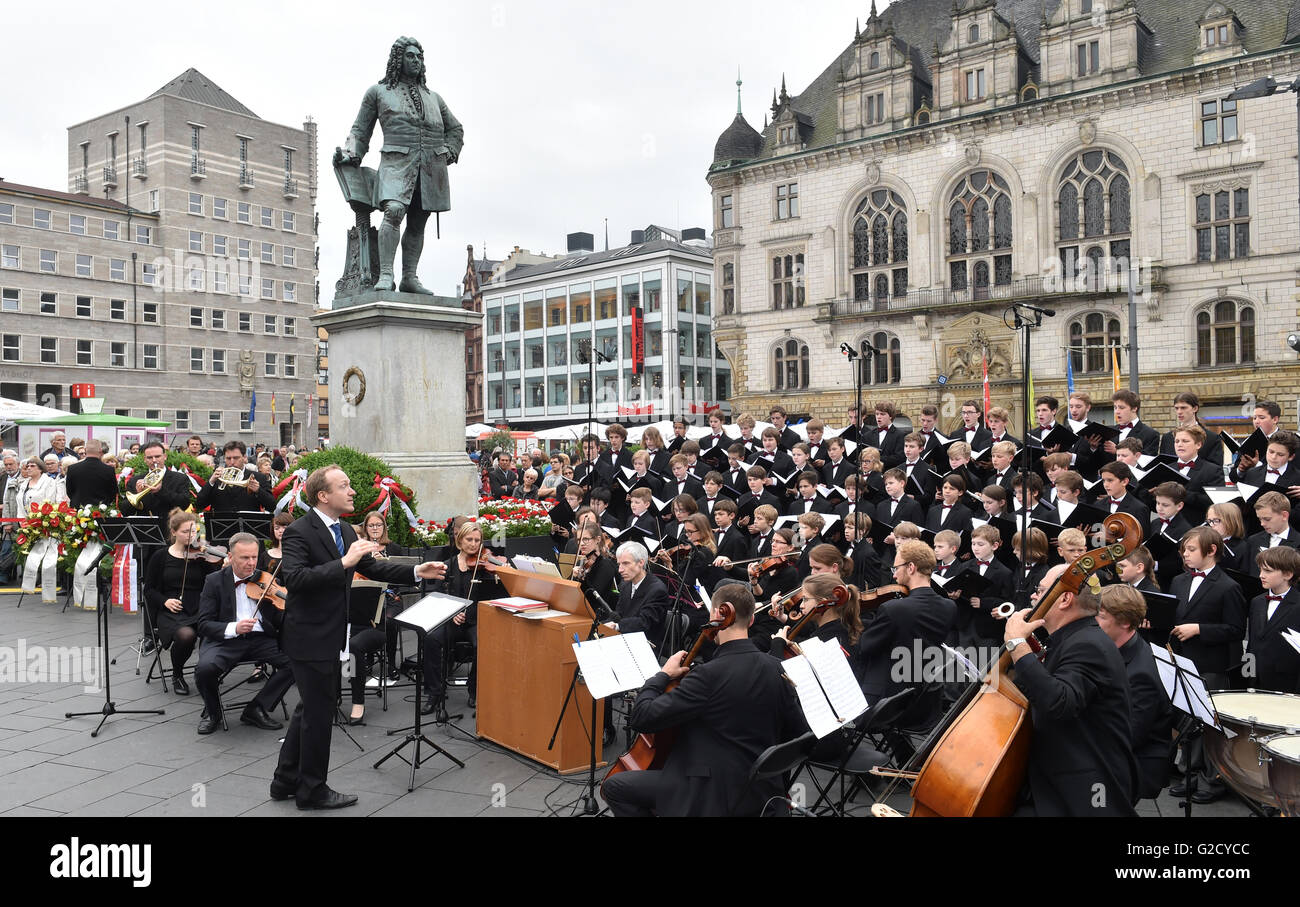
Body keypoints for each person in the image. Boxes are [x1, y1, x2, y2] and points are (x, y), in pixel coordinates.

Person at [273, 466, 446, 810]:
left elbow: (373, 568)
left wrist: (415, 570)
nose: (353, 491)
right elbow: (294, 578)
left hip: (332, 634)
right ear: (323, 495)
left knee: (310, 708)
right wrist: (343, 563)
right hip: (309, 637)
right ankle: (312, 791)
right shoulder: (298, 532)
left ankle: (285, 780)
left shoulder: (343, 531)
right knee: (320, 714)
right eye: (345, 485)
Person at [602, 583, 807, 817]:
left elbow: (641, 717)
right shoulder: (776, 667)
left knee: (615, 787)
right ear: (751, 621)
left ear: (720, 614)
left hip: (710, 793)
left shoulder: (708, 675)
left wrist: (661, 677)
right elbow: (797, 733)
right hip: (762, 793)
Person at [1002, 564, 1138, 815]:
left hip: (1080, 790)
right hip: (1056, 778)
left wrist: (1016, 643)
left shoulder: (1088, 645)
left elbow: (1059, 702)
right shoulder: (1073, 639)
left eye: (1039, 589)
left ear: (1064, 599)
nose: (1033, 596)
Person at [338, 36, 463, 293]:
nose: (416, 61)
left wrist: (450, 151)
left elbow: (456, 129)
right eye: (410, 56)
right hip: (396, 163)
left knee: (418, 221)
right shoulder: (378, 92)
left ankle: (410, 277)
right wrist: (351, 153)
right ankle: (386, 274)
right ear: (398, 59)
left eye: (419, 56)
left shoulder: (435, 98)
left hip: (431, 169)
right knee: (393, 211)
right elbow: (361, 130)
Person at [194, 533, 296, 735]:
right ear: (230, 557)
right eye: (244, 558)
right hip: (225, 640)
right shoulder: (214, 581)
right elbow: (203, 624)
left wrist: (289, 609)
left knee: (296, 661)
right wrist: (234, 628)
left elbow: (277, 618)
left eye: (254, 557)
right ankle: (213, 713)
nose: (251, 563)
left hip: (260, 639)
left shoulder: (267, 579)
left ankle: (257, 708)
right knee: (204, 669)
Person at [858, 540, 957, 723]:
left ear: (911, 567)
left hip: (885, 701)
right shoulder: (949, 606)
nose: (894, 575)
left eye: (896, 568)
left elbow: (865, 647)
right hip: (921, 698)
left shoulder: (893, 608)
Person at [1096, 584, 1175, 803]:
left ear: (1126, 622)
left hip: (1133, 764)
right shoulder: (1117, 648)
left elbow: (1128, 736)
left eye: (1100, 617)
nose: (1093, 622)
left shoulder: (1142, 673)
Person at [421, 520, 504, 718]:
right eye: (469, 539)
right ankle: (435, 693)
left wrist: (501, 572)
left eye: (477, 540)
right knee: (430, 639)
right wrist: (452, 613)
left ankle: (474, 689)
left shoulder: (485, 567)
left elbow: (493, 596)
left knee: (482, 644)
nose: (474, 544)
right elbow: (437, 596)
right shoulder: (446, 566)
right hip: (452, 620)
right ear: (459, 541)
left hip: (475, 620)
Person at [145, 510, 222, 695]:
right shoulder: (161, 556)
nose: (191, 536)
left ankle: (204, 671)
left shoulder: (201, 556)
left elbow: (214, 580)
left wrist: (223, 566)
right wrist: (165, 601)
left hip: (200, 607)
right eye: (186, 532)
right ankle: (177, 674)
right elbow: (149, 590)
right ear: (173, 533)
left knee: (213, 632)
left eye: (194, 531)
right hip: (173, 610)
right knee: (186, 635)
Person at [1248, 546, 1300, 693]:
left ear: (1288, 574)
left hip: (1287, 685)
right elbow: (1252, 643)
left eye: (1268, 571)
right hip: (1256, 681)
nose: (1261, 575)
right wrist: (1248, 676)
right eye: (1260, 570)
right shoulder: (1257, 602)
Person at [606, 541, 671, 652]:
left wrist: (617, 626)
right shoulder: (626, 585)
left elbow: (644, 623)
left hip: (645, 647)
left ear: (641, 563)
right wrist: (602, 624)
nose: (620, 569)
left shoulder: (657, 590)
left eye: (626, 563)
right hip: (625, 640)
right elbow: (619, 613)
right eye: (619, 564)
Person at [16, 457, 61, 603]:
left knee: (47, 555)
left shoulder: (49, 482)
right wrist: (22, 521)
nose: (28, 468)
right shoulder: (24, 484)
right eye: (27, 466)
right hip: (26, 523)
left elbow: (51, 501)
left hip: (43, 524)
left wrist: (41, 520)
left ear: (40, 468)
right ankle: (31, 582)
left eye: (32, 466)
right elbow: (20, 503)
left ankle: (48, 583)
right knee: (29, 554)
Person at [64, 439, 118, 508]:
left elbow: (70, 491)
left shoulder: (73, 469)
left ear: (86, 450)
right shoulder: (109, 470)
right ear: (100, 451)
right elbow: (113, 492)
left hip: (79, 510)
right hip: (101, 511)